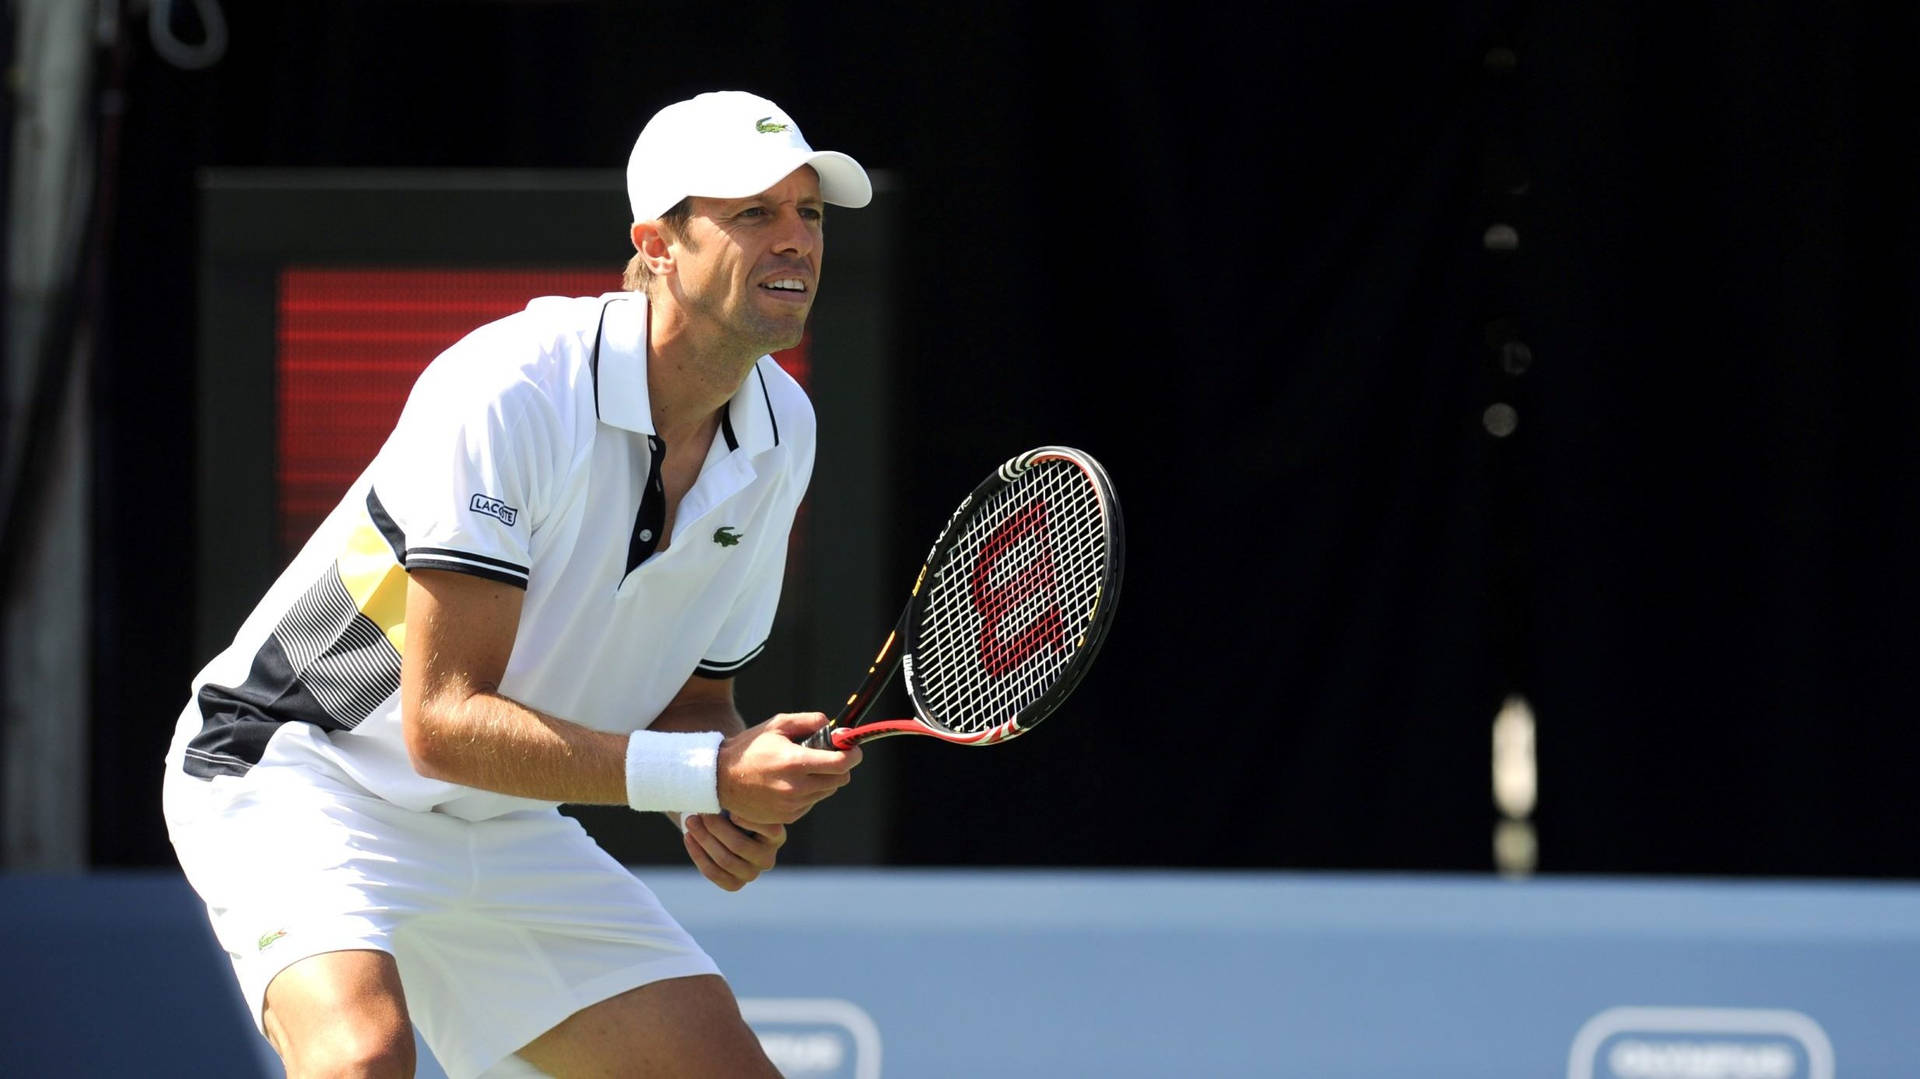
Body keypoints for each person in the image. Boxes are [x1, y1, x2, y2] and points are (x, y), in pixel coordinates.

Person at [162, 90, 872, 1079]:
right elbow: (444, 723)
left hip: (496, 814)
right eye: (755, 213)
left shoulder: (782, 427)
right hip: (298, 765)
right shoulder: (512, 386)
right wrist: (703, 774)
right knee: (361, 1055)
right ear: (656, 245)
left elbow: (695, 694)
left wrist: (716, 791)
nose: (796, 239)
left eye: (812, 213)